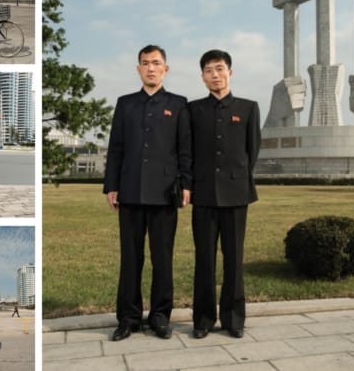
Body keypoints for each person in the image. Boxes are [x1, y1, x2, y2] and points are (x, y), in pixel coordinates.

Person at [103, 44, 191, 341]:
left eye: (156, 63)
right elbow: (116, 148)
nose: (150, 68)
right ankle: (128, 318)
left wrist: (187, 185)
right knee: (130, 258)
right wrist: (111, 185)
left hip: (165, 193)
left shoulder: (179, 104)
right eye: (145, 63)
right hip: (129, 192)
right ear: (138, 69)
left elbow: (185, 151)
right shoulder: (125, 103)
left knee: (162, 258)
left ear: (165, 68)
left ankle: (160, 316)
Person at [187, 49, 261, 340]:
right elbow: (188, 151)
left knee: (234, 259)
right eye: (208, 70)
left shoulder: (247, 108)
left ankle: (234, 319)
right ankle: (203, 319)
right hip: (203, 195)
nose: (214, 75)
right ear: (202, 76)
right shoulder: (193, 110)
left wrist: (236, 179)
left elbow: (251, 151)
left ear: (230, 72)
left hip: (236, 194)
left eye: (219, 69)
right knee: (204, 259)